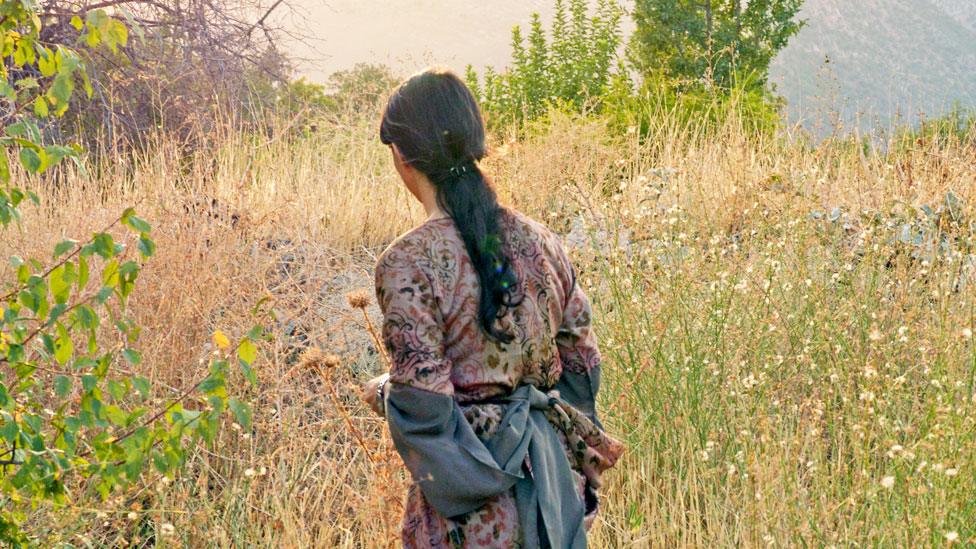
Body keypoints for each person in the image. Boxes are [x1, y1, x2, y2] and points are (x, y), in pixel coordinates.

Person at [361, 67, 623, 549]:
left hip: (471, 504)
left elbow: (425, 406)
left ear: (400, 155)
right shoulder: (543, 240)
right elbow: (583, 366)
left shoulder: (407, 262)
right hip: (551, 487)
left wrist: (380, 392)